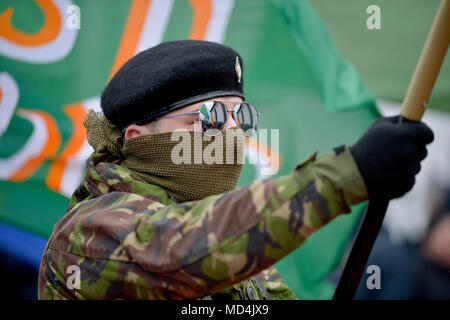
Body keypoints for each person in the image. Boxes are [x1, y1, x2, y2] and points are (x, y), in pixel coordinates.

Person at [38, 40, 433, 300]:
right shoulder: (88, 232)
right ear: (140, 138)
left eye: (240, 117)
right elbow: (182, 250)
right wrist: (348, 175)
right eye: (208, 118)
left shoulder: (238, 251)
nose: (231, 133)